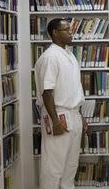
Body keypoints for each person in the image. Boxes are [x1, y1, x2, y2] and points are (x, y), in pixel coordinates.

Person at [34, 18, 86, 189]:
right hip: (58, 114)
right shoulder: (50, 57)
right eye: (66, 30)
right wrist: (55, 121)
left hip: (74, 113)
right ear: (55, 33)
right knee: (53, 167)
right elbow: (47, 91)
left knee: (71, 166)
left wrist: (81, 117)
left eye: (70, 30)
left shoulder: (69, 55)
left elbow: (74, 89)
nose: (71, 33)